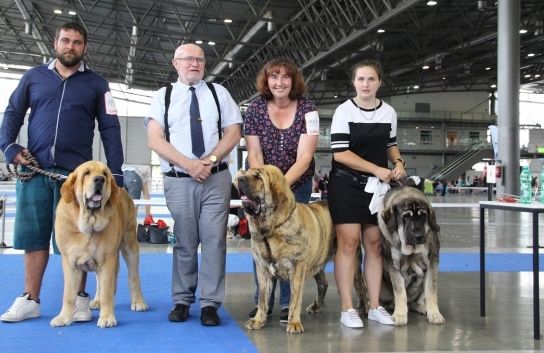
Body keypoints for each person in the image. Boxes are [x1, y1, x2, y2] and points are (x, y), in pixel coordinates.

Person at [0, 22, 124, 323]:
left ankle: (80, 301)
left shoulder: (97, 84)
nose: (71, 46)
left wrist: (116, 175)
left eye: (77, 42)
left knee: (83, 239)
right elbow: (13, 113)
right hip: (36, 170)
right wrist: (9, 147)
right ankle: (31, 299)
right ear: (56, 43)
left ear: (84, 47)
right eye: (66, 41)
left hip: (77, 178)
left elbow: (110, 128)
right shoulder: (33, 77)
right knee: (33, 235)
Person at [145, 43, 242, 326]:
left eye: (199, 59)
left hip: (216, 178)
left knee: (214, 241)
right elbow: (155, 140)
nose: (195, 64)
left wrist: (209, 160)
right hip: (179, 180)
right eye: (188, 59)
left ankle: (210, 304)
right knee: (185, 242)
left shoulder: (218, 93)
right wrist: (189, 164)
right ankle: (182, 300)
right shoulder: (162, 97)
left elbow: (234, 131)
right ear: (175, 63)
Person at [328, 59, 405, 328]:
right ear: (354, 82)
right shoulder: (343, 111)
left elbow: (391, 145)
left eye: (371, 79)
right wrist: (376, 169)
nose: (366, 84)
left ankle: (374, 306)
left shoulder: (389, 113)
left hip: (377, 189)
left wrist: (398, 163)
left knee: (374, 246)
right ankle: (347, 308)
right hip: (346, 185)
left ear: (379, 83)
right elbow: (341, 153)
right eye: (361, 79)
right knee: (348, 244)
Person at [244, 56, 319, 323]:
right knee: (262, 244)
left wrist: (280, 189)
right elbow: (254, 152)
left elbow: (305, 157)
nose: (279, 82)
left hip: (295, 186)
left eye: (285, 77)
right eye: (273, 77)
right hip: (259, 188)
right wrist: (264, 188)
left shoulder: (309, 109)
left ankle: (289, 304)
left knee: (292, 246)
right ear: (266, 81)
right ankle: (262, 302)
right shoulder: (254, 109)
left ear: (293, 81)